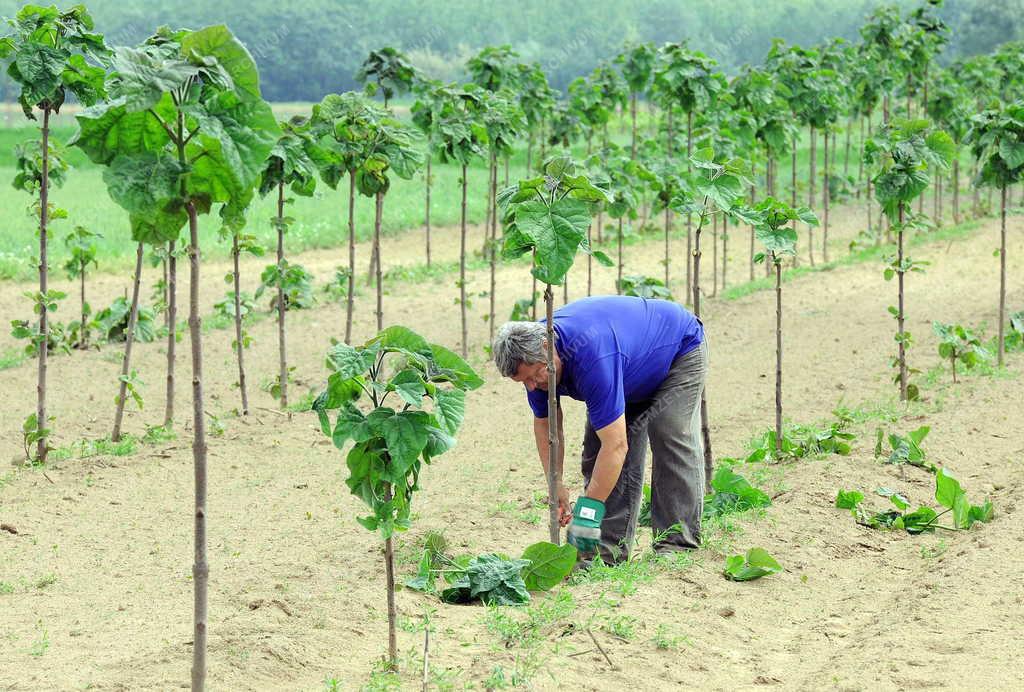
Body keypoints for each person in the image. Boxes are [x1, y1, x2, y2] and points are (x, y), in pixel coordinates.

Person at [493, 295, 709, 564]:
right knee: (599, 453)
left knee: (668, 433)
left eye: (533, 376)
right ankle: (607, 553)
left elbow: (616, 446)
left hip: (676, 350)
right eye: (522, 382)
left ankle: (676, 544)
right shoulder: (534, 363)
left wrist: (585, 517)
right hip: (627, 367)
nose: (531, 387)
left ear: (548, 348)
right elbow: (546, 425)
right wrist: (556, 483)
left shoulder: (591, 356)